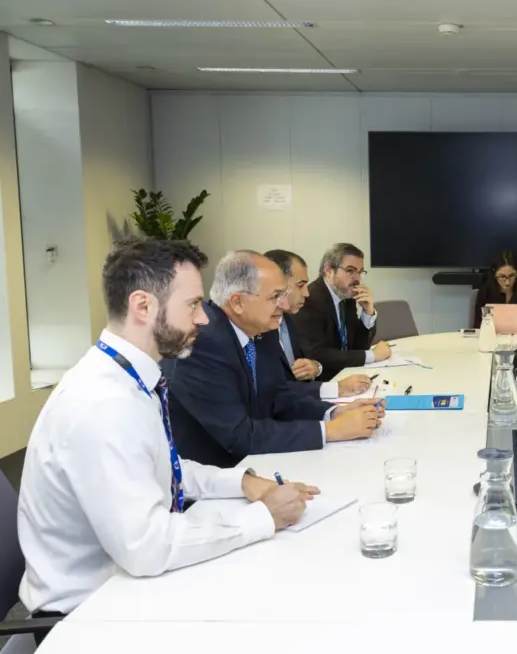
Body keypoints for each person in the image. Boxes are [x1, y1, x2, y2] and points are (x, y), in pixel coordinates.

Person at [17, 239, 318, 632]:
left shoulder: (126, 377)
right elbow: (148, 547)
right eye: (192, 305)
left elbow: (164, 465)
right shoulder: (102, 403)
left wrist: (242, 482)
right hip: (89, 617)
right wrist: (263, 517)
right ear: (143, 306)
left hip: (124, 586)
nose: (204, 319)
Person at [162, 251, 385, 468]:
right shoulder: (203, 343)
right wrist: (333, 430)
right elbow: (240, 436)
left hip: (261, 459)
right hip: (220, 476)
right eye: (274, 296)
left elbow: (278, 396)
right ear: (237, 302)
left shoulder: (261, 327)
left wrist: (334, 413)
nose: (283, 304)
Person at [264, 249, 371, 397]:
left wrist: (316, 368)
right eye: (350, 271)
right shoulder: (261, 328)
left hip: (308, 395)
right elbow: (274, 392)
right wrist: (336, 389)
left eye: (360, 272)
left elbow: (307, 365)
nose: (307, 293)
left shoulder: (286, 317)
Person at [293, 243, 391, 377]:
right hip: (324, 381)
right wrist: (372, 356)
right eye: (350, 271)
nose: (357, 278)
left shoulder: (345, 296)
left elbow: (357, 347)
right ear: (328, 270)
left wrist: (367, 313)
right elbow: (318, 355)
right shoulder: (310, 300)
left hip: (347, 373)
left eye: (360, 272)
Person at [472, 250, 517, 331]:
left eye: (512, 276)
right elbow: (477, 327)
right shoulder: (485, 292)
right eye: (502, 276)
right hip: (492, 339)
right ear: (494, 274)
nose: (507, 282)